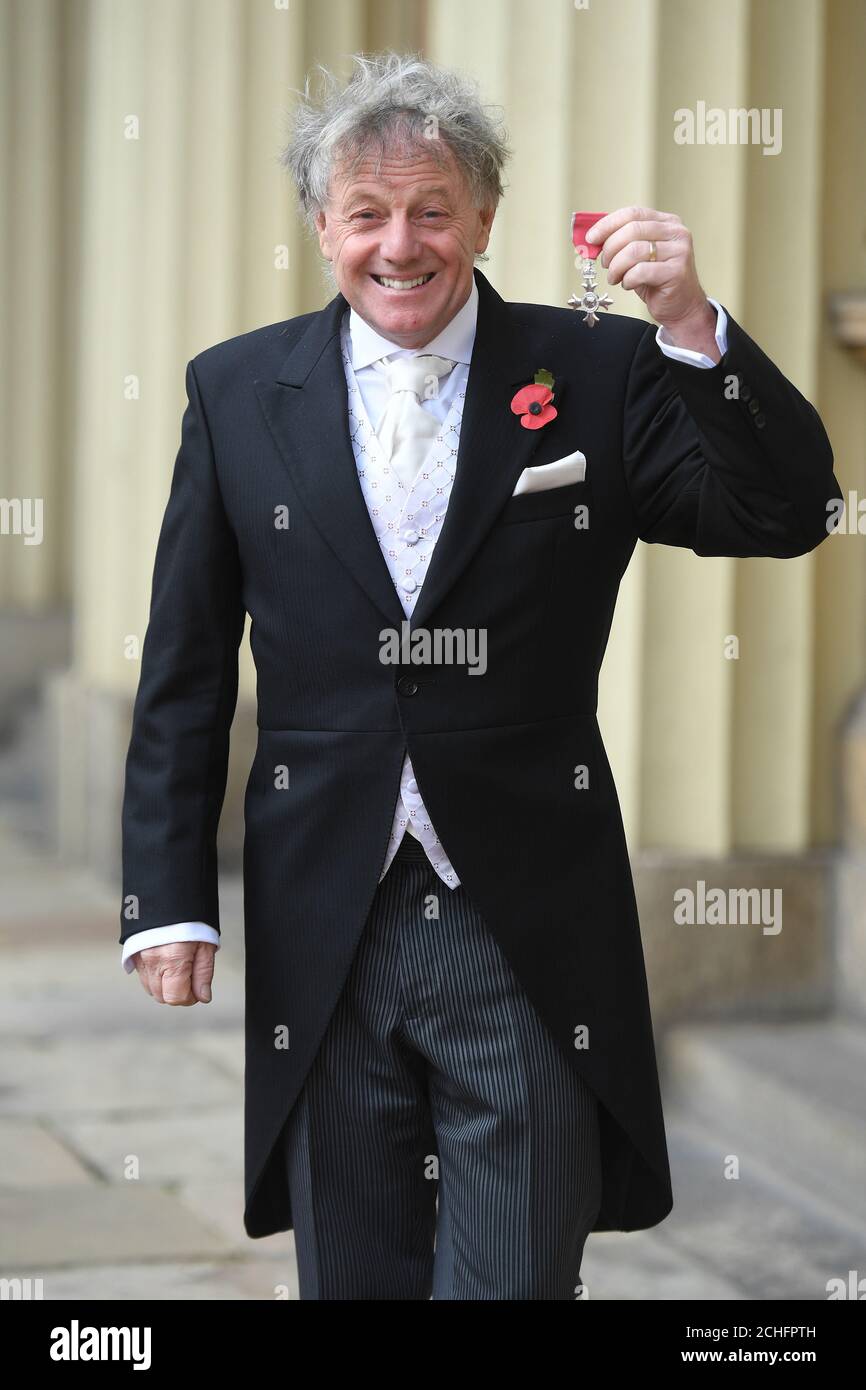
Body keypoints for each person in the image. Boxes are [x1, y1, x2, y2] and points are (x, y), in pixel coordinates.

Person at [119, 51, 842, 1300]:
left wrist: (689, 327)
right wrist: (166, 898)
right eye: (366, 213)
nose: (399, 246)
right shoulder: (236, 392)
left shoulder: (599, 372)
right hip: (321, 921)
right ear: (320, 225)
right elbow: (184, 664)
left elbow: (786, 510)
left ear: (485, 218)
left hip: (527, 924)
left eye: (431, 210)